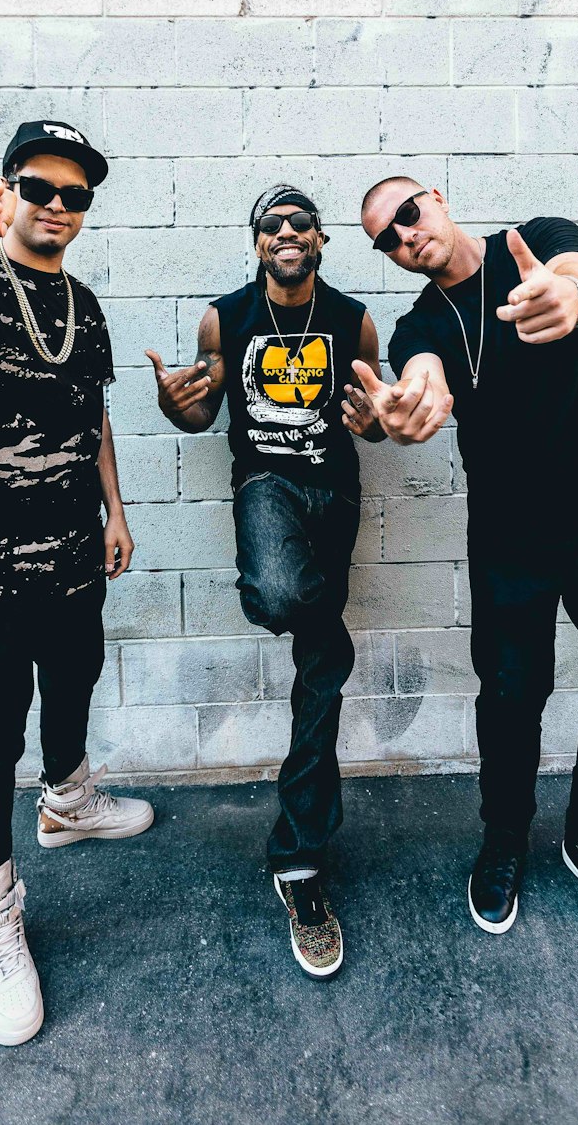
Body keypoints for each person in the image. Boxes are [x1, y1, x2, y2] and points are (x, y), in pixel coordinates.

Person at [353, 177, 578, 960]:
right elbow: (421, 370)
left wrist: (569, 297)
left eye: (407, 214)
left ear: (436, 197)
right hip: (510, 541)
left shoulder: (537, 236)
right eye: (385, 240)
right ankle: (504, 840)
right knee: (509, 699)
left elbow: (576, 275)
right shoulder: (420, 322)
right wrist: (413, 401)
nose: (404, 237)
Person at [0, 121, 153, 1046]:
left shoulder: (84, 304)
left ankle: (68, 803)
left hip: (74, 550)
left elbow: (93, 415)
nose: (56, 205)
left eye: (74, 194)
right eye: (38, 187)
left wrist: (116, 512)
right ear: (8, 190)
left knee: (77, 678)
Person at [146, 185, 384, 979]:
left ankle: (300, 861)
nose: (286, 234)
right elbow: (201, 413)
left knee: (319, 669)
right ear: (256, 244)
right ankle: (320, 628)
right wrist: (174, 404)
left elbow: (373, 412)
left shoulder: (353, 320)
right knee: (281, 598)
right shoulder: (224, 318)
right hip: (266, 488)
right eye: (271, 226)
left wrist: (379, 416)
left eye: (300, 224)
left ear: (320, 240)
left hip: (335, 493)